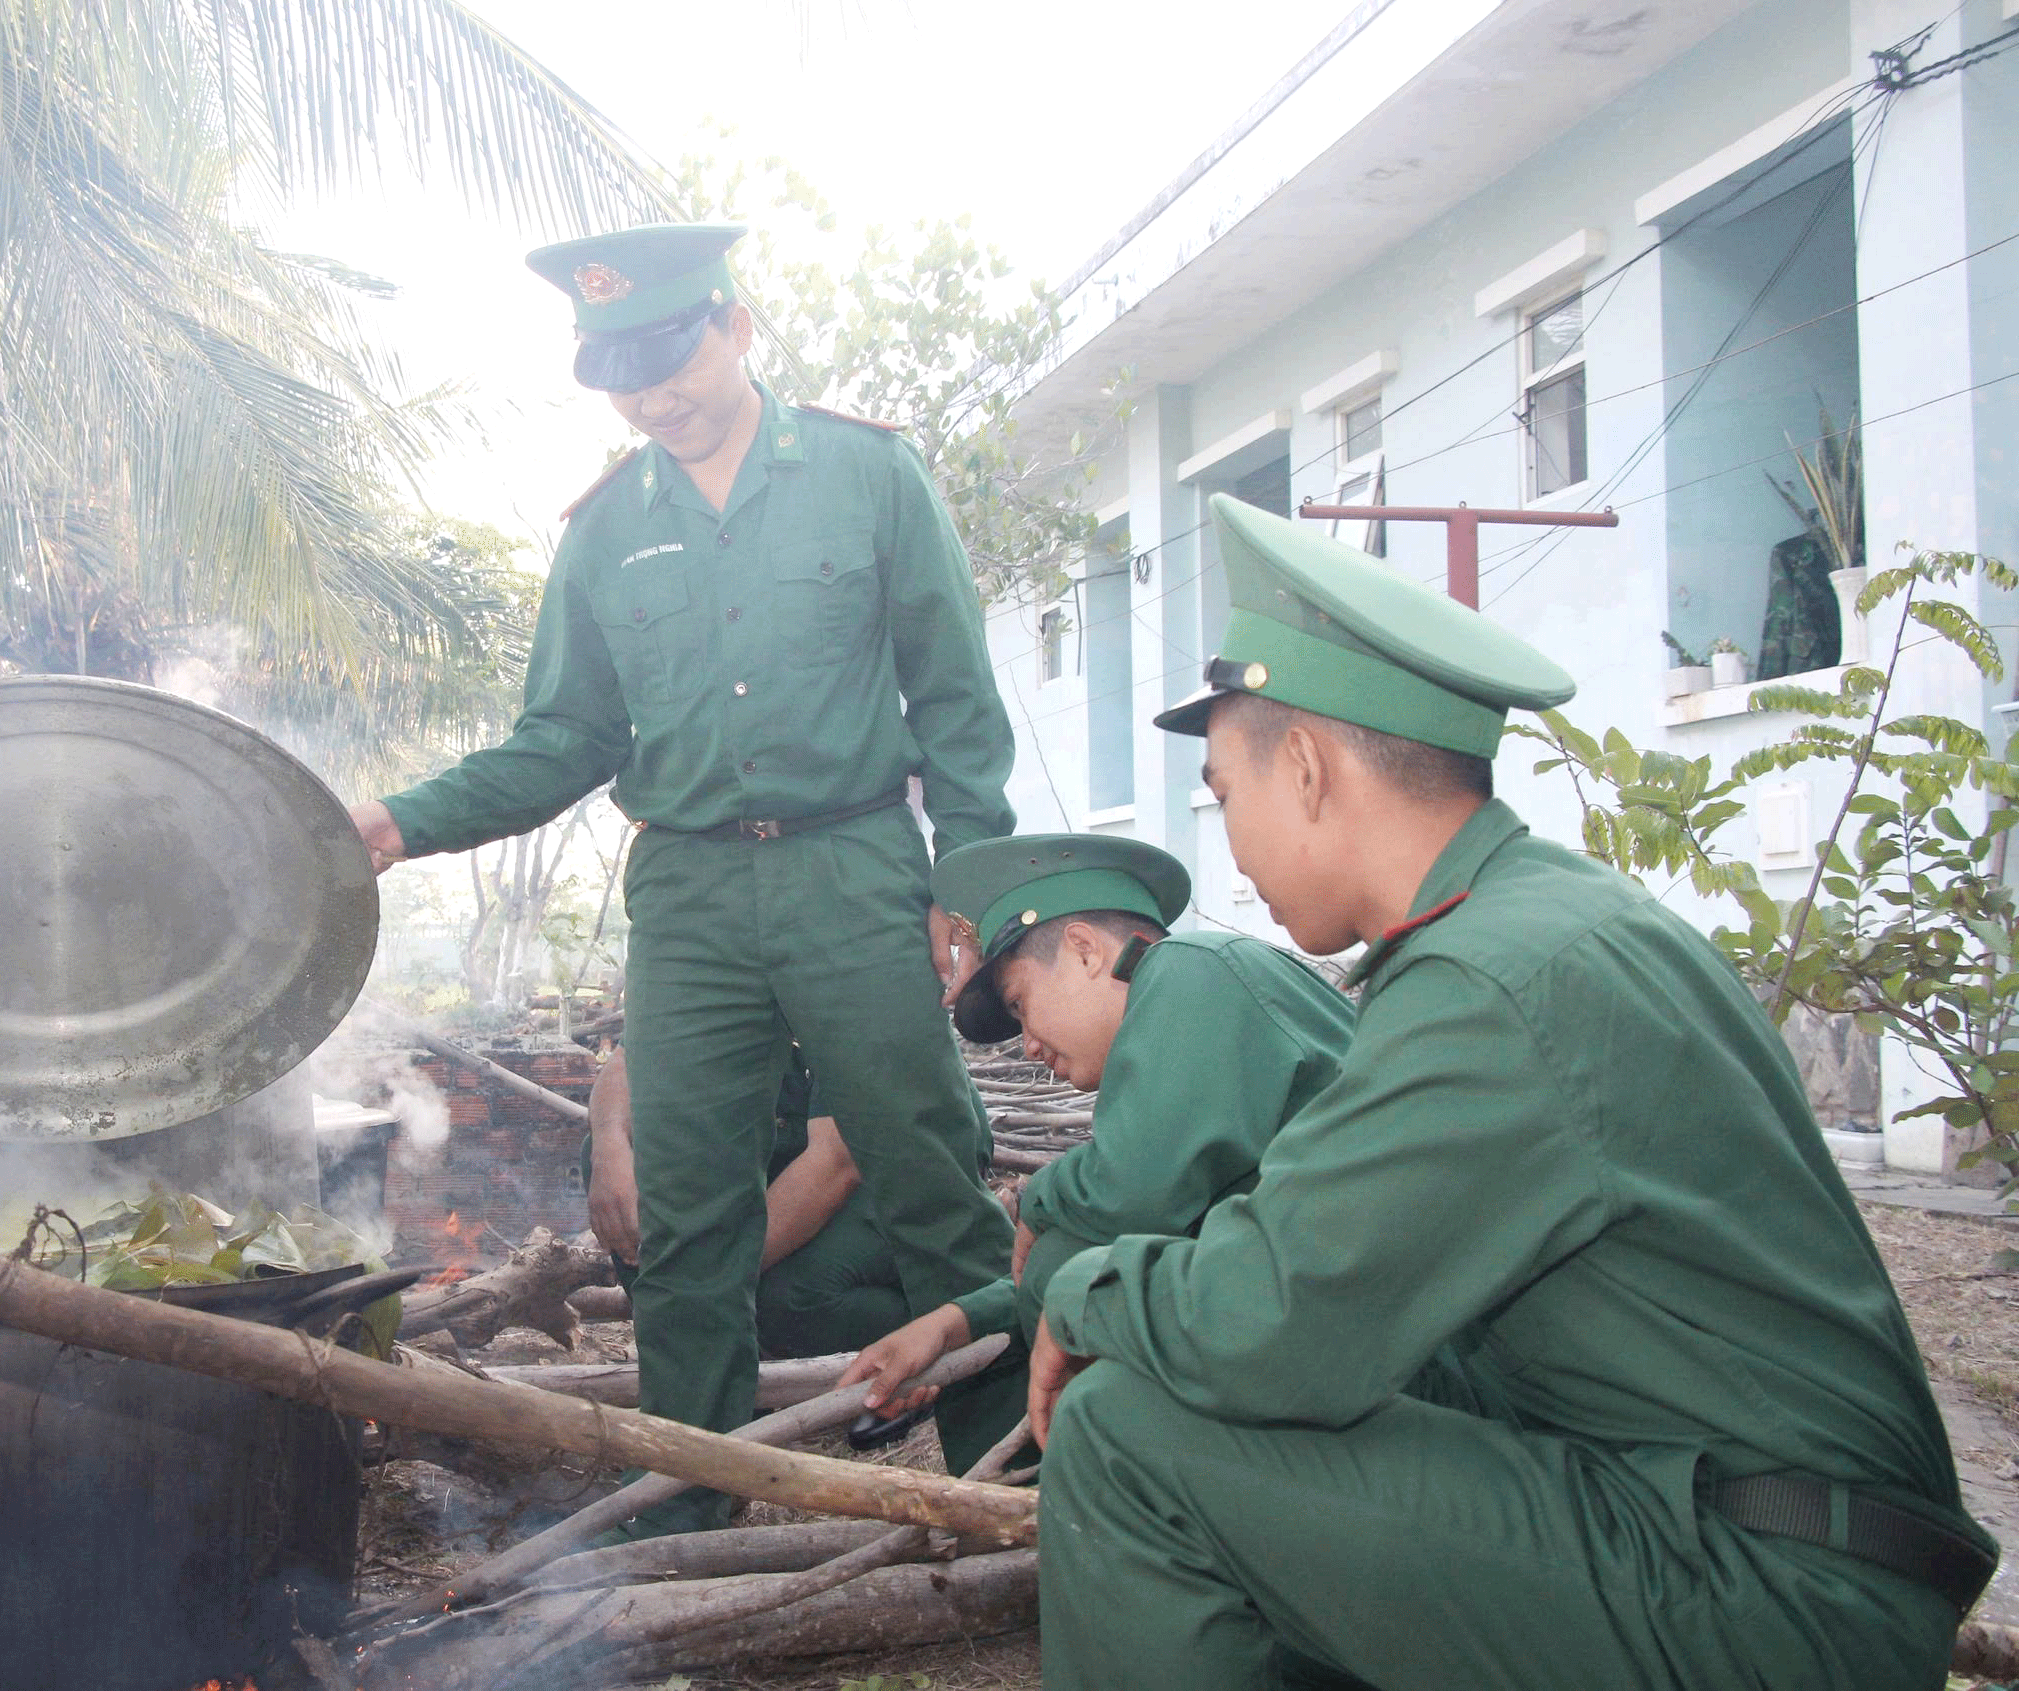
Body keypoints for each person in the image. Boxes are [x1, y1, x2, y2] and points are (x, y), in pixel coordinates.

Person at [1027, 493, 1998, 1691]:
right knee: (1344, 1398)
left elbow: (1268, 1320)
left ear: (1308, 766)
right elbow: (1336, 1289)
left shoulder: (1495, 980)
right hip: (1751, 1534)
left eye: (1225, 793)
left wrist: (1080, 1289)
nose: (1227, 844)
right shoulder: (1555, 918)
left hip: (1763, 1592)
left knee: (1132, 1441)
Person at [345, 223, 1021, 1532]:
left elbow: (956, 695)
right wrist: (399, 819)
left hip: (853, 867)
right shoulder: (604, 532)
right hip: (692, 896)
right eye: (619, 371)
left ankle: (1018, 1475)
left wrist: (973, 869)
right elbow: (565, 740)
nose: (653, 393)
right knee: (689, 1217)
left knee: (930, 1171)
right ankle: (690, 1515)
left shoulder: (870, 474)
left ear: (737, 326)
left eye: (671, 355)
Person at [839, 833, 1357, 1422]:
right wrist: (952, 1323)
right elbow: (1149, 1235)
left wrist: (1041, 1197)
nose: (1029, 1045)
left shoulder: (1189, 970)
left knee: (1065, 1256)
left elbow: (1128, 1197)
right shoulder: (1188, 1044)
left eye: (1019, 1005)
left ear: (1084, 950)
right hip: (1353, 1325)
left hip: (1392, 1345)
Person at [585, 1042, 928, 1362]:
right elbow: (628, 1059)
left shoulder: (847, 985)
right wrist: (609, 1146)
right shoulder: (713, 979)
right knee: (619, 1166)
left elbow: (837, 1160)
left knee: (786, 1298)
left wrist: (710, 1274)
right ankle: (697, 1357)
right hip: (784, 1142)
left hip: (892, 1169)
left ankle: (926, 1343)